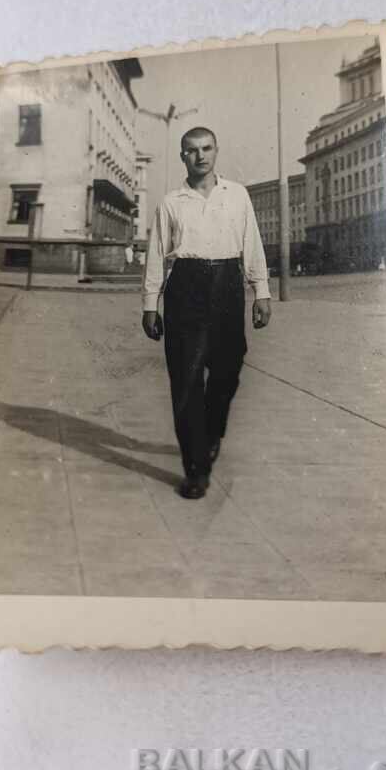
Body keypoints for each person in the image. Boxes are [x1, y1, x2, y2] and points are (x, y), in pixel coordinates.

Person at [142, 127, 271, 499]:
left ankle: (212, 433)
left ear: (217, 151)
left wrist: (260, 291)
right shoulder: (171, 202)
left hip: (228, 285)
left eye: (207, 148)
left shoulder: (238, 195)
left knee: (227, 371)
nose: (200, 156)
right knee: (186, 380)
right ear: (182, 156)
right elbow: (156, 256)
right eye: (191, 150)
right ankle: (195, 468)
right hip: (186, 287)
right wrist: (151, 303)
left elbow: (252, 244)